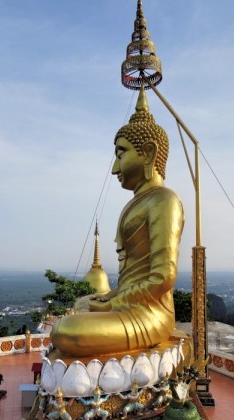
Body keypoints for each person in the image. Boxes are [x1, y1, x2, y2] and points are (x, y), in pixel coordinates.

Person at [51, 84, 184, 356]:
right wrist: (110, 297)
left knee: (67, 331)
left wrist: (113, 303)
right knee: (80, 304)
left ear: (147, 152)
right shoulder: (136, 203)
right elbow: (128, 281)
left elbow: (163, 277)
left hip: (150, 315)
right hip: (127, 304)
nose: (114, 168)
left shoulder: (164, 200)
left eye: (120, 154)